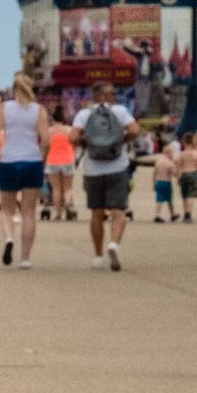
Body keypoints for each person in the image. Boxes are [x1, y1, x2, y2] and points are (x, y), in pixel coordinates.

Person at [72, 76, 137, 270]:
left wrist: (88, 145)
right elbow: (135, 129)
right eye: (112, 93)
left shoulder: (84, 114)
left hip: (93, 170)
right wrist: (120, 142)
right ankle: (114, 244)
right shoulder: (119, 111)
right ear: (104, 95)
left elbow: (73, 136)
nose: (114, 96)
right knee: (118, 212)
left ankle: (98, 256)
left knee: (96, 213)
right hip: (117, 167)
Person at [0, 74, 47, 268]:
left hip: (9, 160)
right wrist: (42, 158)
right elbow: (45, 139)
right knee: (29, 212)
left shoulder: (4, 109)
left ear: (13, 89)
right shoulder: (38, 110)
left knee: (6, 209)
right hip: (32, 160)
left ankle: (8, 238)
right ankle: (25, 258)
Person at [43, 109, 77, 221]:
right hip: (68, 160)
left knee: (56, 188)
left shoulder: (49, 131)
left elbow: (45, 147)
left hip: (52, 161)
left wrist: (43, 159)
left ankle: (58, 213)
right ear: (63, 118)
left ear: (53, 119)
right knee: (68, 187)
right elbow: (75, 144)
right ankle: (68, 205)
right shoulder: (69, 130)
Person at [151, 131, 180, 224]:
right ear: (169, 153)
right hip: (167, 182)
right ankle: (171, 214)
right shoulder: (170, 163)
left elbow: (154, 174)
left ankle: (157, 214)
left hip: (158, 182)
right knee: (169, 199)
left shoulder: (158, 161)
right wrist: (177, 166)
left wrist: (154, 184)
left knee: (159, 199)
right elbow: (175, 174)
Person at [176, 127, 197, 221]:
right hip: (193, 173)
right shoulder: (196, 153)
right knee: (191, 195)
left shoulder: (181, 154)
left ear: (184, 142)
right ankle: (189, 213)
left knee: (184, 195)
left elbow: (178, 166)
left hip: (184, 174)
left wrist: (177, 176)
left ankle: (185, 212)